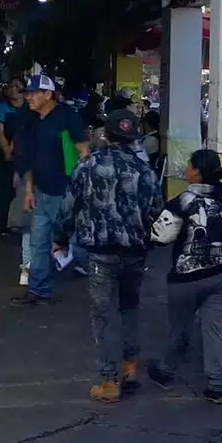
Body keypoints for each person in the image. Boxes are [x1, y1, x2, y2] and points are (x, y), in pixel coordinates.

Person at [53, 109, 161, 403]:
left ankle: (108, 381)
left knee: (102, 315)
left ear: (106, 135)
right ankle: (130, 367)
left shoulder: (87, 167)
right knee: (129, 307)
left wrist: (60, 239)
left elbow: (69, 207)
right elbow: (156, 210)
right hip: (136, 252)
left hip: (100, 253)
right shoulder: (145, 171)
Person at [149, 149, 222, 404]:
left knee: (180, 327)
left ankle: (165, 370)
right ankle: (217, 385)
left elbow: (161, 236)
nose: (186, 169)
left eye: (189, 165)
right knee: (217, 327)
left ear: (197, 171)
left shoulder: (183, 201)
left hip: (188, 276)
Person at [12, 74, 90, 306]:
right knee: (38, 242)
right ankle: (39, 290)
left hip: (64, 193)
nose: (29, 98)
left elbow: (84, 152)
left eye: (34, 93)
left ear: (49, 94)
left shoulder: (67, 116)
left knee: (74, 241)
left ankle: (102, 279)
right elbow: (32, 158)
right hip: (41, 192)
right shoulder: (33, 120)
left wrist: (79, 190)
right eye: (28, 93)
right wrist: (29, 191)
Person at [0, 78, 31, 282]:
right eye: (12, 87)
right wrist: (7, 151)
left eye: (19, 87)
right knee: (6, 189)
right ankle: (5, 224)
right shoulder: (2, 109)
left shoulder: (28, 109)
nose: (15, 91)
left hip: (24, 157)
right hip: (7, 155)